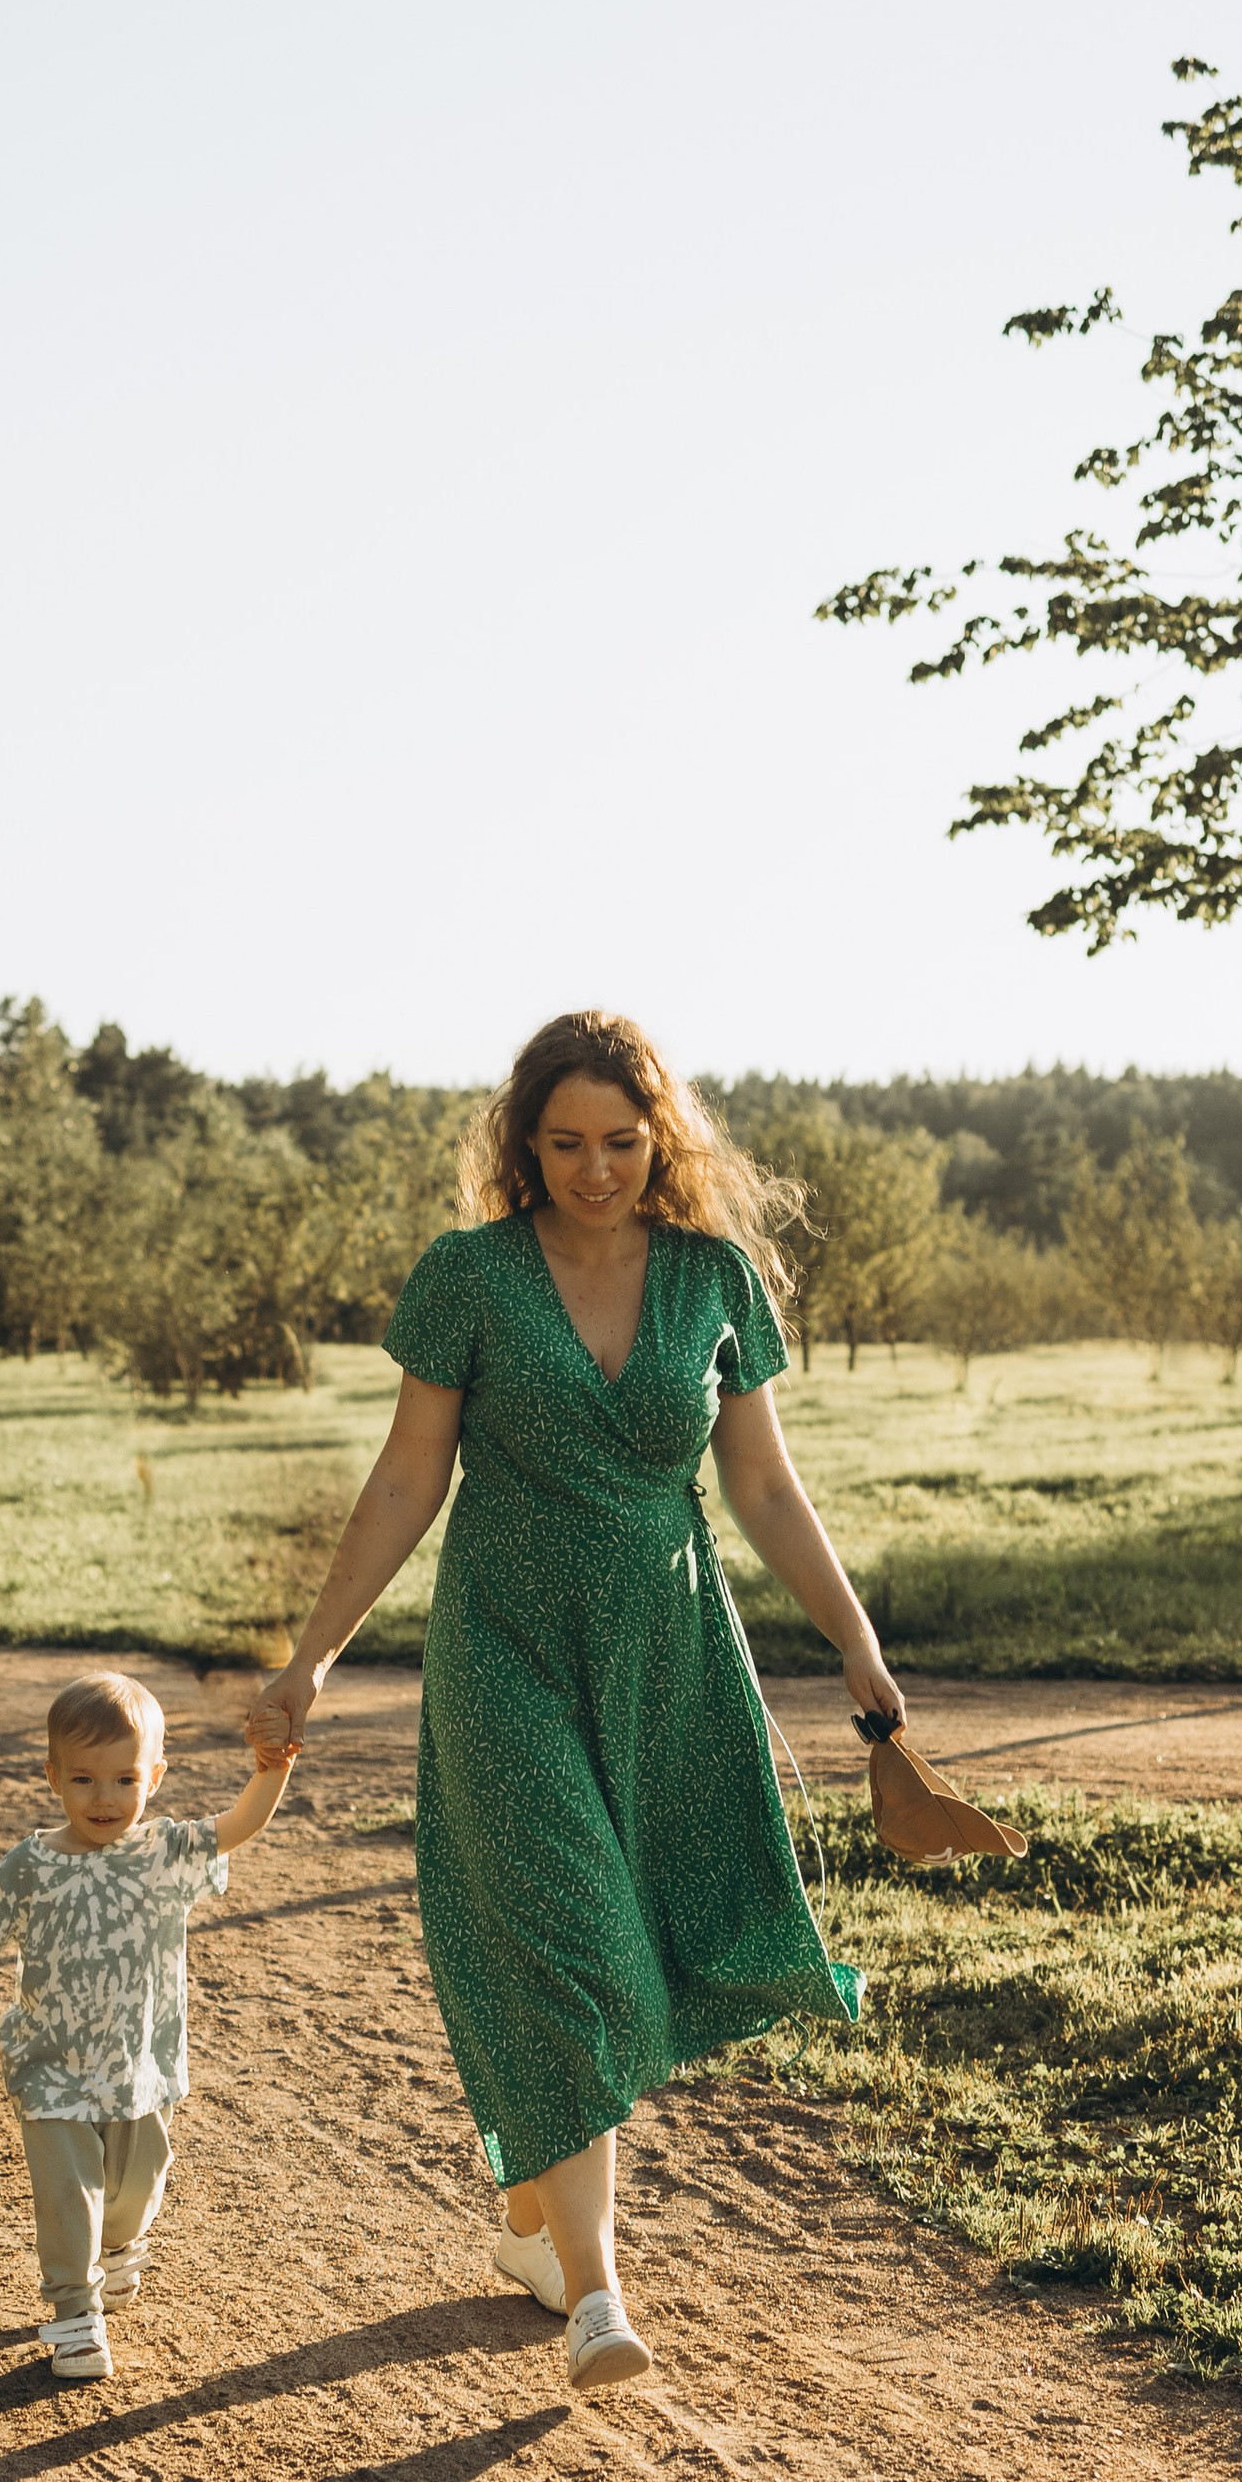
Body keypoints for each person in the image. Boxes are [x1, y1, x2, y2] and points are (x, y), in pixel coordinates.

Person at [249, 1009, 904, 2396]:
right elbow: (408, 1477)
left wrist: (853, 1641)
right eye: (564, 1142)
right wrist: (313, 1653)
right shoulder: (470, 1277)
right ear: (522, 1143)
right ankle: (600, 2296)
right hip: (504, 1651)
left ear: (659, 1137)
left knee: (640, 1947)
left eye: (620, 1140)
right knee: (580, 1948)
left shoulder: (714, 1278)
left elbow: (766, 1487)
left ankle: (544, 2218)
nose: (594, 1168)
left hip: (665, 1652)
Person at [0, 1670, 295, 2381]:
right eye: (83, 1779)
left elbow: (240, 1824)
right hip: (51, 2065)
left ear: (155, 1776)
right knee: (68, 2195)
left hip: (138, 2066)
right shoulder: (32, 1864)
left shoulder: (165, 1852)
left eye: (123, 1779)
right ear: (53, 1775)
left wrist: (273, 1768)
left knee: (136, 2190)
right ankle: (75, 2313)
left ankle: (119, 2248)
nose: (104, 1798)